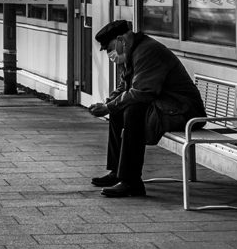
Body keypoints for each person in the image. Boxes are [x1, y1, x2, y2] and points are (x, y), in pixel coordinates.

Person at [88, 19, 206, 198]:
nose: (110, 54)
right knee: (120, 110)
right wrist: (109, 103)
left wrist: (108, 107)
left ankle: (131, 181)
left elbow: (142, 92)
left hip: (184, 112)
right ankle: (117, 171)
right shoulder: (131, 52)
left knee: (133, 111)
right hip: (165, 108)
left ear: (121, 40)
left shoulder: (147, 51)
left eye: (111, 47)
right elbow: (124, 86)